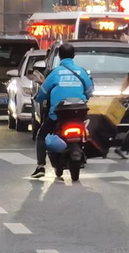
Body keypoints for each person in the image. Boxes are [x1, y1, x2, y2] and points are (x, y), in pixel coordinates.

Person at [31, 43, 93, 178]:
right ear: (74, 56)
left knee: (41, 136)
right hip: (80, 113)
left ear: (59, 56)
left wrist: (38, 98)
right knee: (86, 133)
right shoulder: (81, 72)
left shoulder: (55, 73)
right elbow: (89, 91)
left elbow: (42, 93)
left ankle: (41, 166)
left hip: (58, 114)